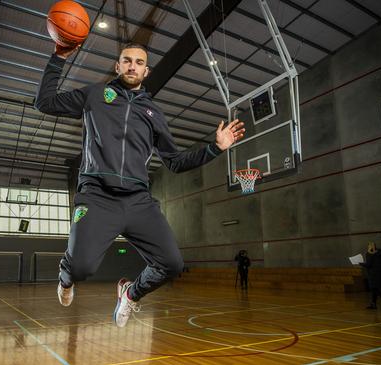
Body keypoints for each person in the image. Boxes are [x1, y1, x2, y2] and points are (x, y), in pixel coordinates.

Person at [35, 42, 246, 327]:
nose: (132, 65)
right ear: (118, 66)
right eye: (127, 60)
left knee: (172, 264)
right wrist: (58, 58)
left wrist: (215, 149)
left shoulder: (153, 114)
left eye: (139, 62)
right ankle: (66, 277)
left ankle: (130, 294)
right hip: (97, 196)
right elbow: (45, 102)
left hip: (137, 200)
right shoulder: (95, 95)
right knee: (81, 268)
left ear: (146, 71)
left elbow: (175, 161)